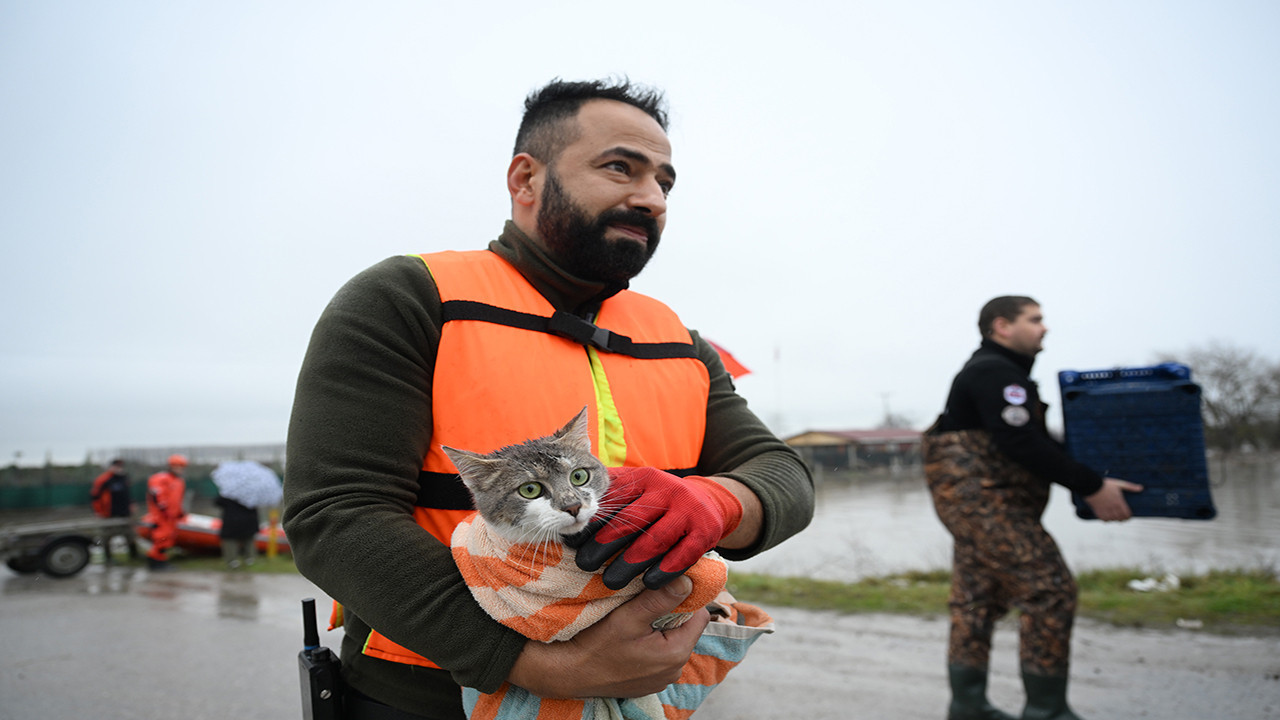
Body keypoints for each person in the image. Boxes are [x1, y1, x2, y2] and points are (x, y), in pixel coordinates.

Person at [282, 78, 815, 720]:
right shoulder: (408, 298)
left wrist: (717, 501)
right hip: (426, 701)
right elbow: (334, 512)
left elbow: (785, 474)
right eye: (620, 167)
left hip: (652, 698)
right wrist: (538, 664)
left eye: (665, 183)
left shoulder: (681, 340)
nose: (650, 198)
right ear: (526, 178)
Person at [922, 296, 1143, 720]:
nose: (1045, 327)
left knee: (975, 600)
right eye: (1035, 319)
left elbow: (1031, 441)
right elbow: (1019, 442)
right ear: (1002, 326)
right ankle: (1046, 710)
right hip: (988, 505)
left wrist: (1093, 474)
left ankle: (968, 707)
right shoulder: (995, 372)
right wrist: (1092, 486)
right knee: (1050, 590)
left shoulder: (997, 373)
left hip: (977, 508)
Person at [144, 454, 188, 571]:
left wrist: (180, 512)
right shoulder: (160, 479)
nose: (179, 469)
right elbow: (157, 495)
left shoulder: (179, 481)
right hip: (161, 516)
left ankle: (161, 560)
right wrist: (163, 509)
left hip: (172, 516)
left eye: (181, 467)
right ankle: (155, 561)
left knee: (168, 538)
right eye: (176, 466)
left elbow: (177, 500)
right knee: (161, 538)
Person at [90, 458, 138, 561]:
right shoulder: (103, 479)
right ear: (111, 467)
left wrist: (131, 504)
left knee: (130, 534)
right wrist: (97, 511)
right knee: (106, 536)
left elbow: (127, 493)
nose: (118, 469)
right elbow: (95, 496)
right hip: (108, 513)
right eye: (116, 466)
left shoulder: (124, 478)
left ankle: (134, 555)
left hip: (124, 513)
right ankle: (108, 558)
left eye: (120, 467)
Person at [215, 494, 259, 569]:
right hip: (249, 520)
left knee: (229, 540)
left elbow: (218, 502)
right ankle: (250, 559)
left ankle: (232, 560)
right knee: (249, 540)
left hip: (232, 520)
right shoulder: (253, 493)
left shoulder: (229, 493)